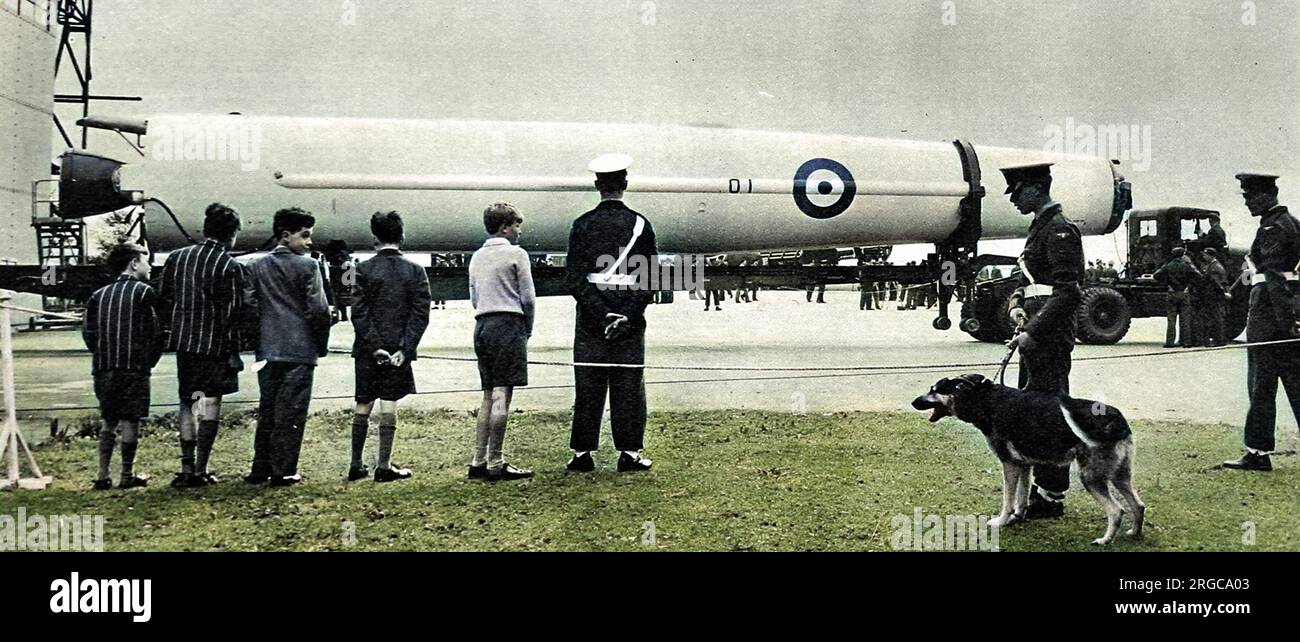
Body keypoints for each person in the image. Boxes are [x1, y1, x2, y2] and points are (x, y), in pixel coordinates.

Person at [1002, 162, 1084, 519]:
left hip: (1047, 338)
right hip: (1035, 333)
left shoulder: (1060, 229)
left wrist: (1033, 332)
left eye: (1017, 192)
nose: (1014, 200)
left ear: (1035, 188)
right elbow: (1030, 281)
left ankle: (1052, 494)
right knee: (1034, 410)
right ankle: (1042, 490)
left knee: (1051, 413)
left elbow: (1067, 292)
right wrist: (1017, 307)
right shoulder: (1041, 227)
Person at [565, 153, 656, 473]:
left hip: (591, 320)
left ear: (597, 186)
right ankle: (629, 453)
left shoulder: (582, 225)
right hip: (630, 321)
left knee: (588, 383)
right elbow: (648, 279)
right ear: (625, 184)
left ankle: (582, 454)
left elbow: (574, 279)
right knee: (629, 385)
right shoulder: (641, 224)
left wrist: (602, 314)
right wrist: (626, 316)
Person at [157, 203, 245, 488]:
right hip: (216, 347)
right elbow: (232, 312)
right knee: (210, 404)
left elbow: (164, 298)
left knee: (187, 403)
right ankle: (201, 468)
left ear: (205, 229)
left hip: (185, 344)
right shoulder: (230, 266)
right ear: (232, 235)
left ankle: (185, 467)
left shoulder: (177, 258)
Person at [244, 207, 331, 486]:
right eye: (305, 236)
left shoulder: (255, 266)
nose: (309, 242)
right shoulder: (309, 266)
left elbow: (249, 306)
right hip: (299, 350)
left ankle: (260, 468)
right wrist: (320, 344)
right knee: (291, 413)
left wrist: (258, 338)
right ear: (285, 235)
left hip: (267, 350)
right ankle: (284, 470)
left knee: (267, 409)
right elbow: (319, 310)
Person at [347, 211, 431, 483]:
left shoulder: (360, 269)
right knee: (389, 404)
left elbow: (358, 313)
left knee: (363, 402)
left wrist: (373, 346)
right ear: (402, 236)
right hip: (398, 351)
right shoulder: (415, 271)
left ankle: (356, 463)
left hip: (367, 351)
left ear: (374, 238)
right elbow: (420, 315)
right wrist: (405, 349)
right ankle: (383, 465)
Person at [1225, 173, 1300, 472]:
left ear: (1269, 195)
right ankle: (1257, 451)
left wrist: (1286, 325)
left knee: (1260, 389)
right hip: (1285, 320)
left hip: (1269, 323)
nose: (1247, 203)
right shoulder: (1291, 223)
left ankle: (1257, 453)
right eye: (1244, 197)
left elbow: (1273, 278)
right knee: (1296, 387)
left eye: (1250, 197)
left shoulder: (1272, 228)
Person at [83, 243, 161, 490]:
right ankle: (127, 475)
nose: (149, 266)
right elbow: (155, 332)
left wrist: (102, 353)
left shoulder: (98, 295)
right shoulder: (144, 293)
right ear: (134, 263)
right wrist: (148, 360)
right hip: (133, 367)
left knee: (108, 420)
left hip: (104, 367)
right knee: (130, 420)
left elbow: (89, 332)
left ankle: (102, 474)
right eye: (145, 260)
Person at [468, 202, 535, 481]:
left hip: (482, 325)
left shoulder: (476, 257)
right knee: (501, 397)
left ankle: (478, 459)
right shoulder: (517, 254)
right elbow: (528, 298)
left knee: (488, 396)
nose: (518, 230)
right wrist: (527, 329)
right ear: (505, 227)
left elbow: (474, 297)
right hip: (507, 325)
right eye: (516, 225)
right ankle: (496, 461)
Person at [1152, 247, 1201, 348]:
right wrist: (1189, 286)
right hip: (1184, 294)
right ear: (1182, 255)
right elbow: (1198, 276)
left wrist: (1166, 284)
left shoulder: (1168, 266)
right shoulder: (1186, 266)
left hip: (1172, 293)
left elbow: (1156, 275)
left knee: (1171, 320)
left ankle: (1170, 342)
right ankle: (1186, 342)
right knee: (1185, 320)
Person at [1195, 247, 1230, 346]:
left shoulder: (1214, 267)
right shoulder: (1214, 265)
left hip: (1214, 296)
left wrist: (1223, 293)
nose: (1204, 256)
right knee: (1216, 317)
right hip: (1214, 296)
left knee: (1216, 318)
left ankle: (1219, 340)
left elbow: (1217, 282)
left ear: (1211, 256)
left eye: (1205, 255)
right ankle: (1219, 340)